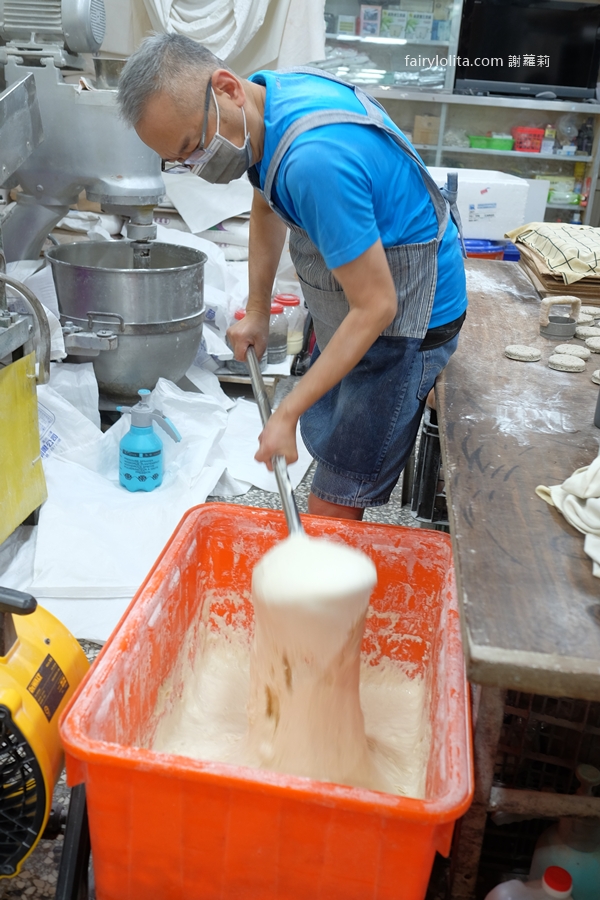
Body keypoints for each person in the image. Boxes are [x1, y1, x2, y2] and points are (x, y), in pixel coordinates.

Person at [118, 34, 467, 521]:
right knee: (331, 435)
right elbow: (266, 202)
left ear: (226, 88)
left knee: (335, 498)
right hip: (362, 302)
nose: (196, 167)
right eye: (180, 162)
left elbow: (377, 308)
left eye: (194, 147)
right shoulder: (267, 102)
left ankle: (329, 585)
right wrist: (258, 308)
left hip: (407, 320)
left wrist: (286, 412)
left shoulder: (315, 159)